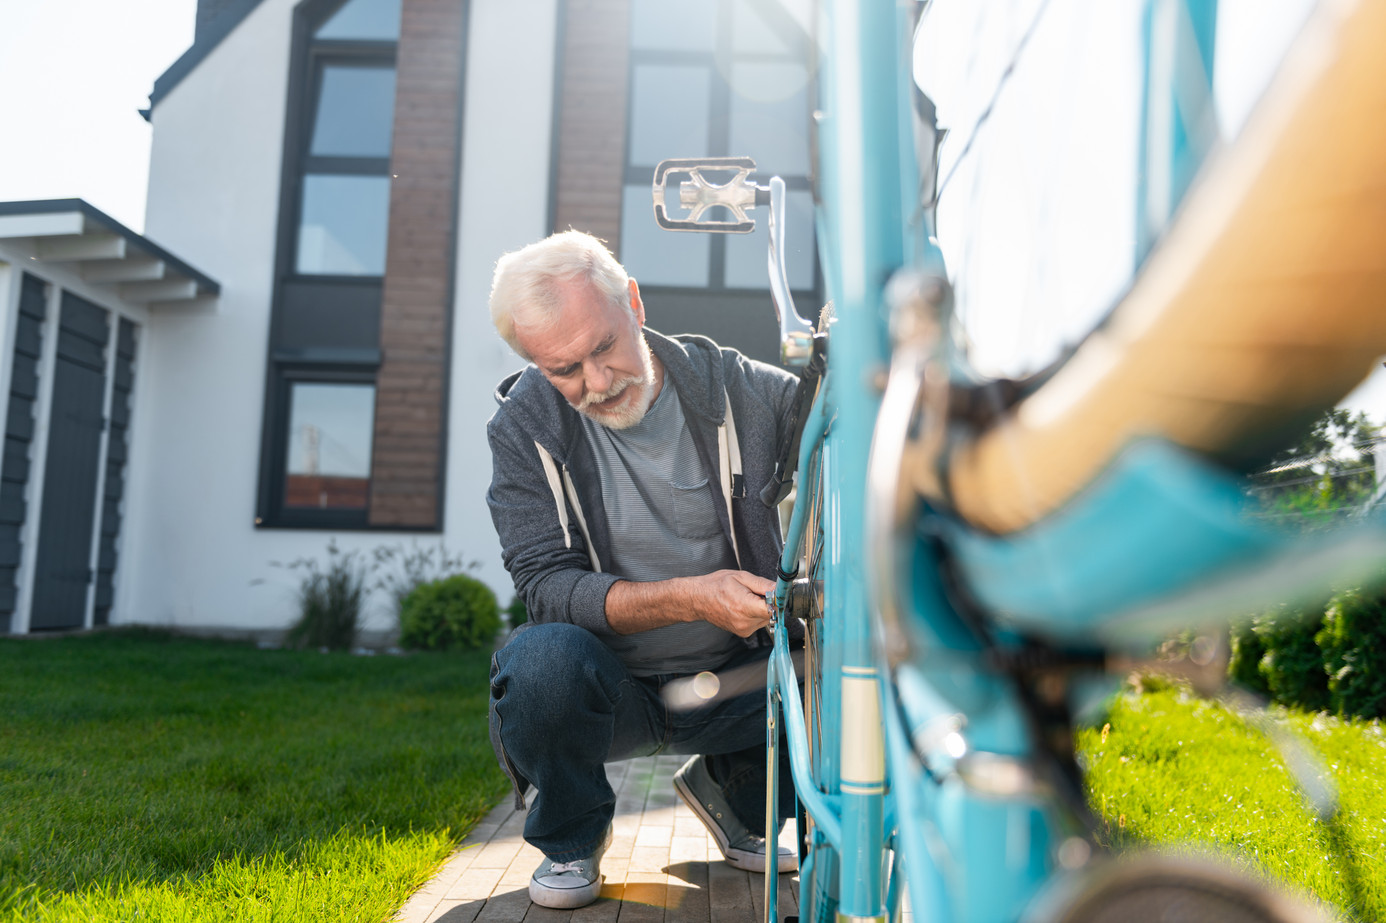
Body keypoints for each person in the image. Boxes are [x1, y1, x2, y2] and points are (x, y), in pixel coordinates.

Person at [485, 230, 800, 909]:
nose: (597, 383)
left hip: (738, 677)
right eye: (565, 370)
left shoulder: (755, 397)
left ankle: (745, 799)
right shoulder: (521, 430)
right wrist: (692, 595)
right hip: (610, 688)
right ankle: (571, 840)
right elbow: (547, 586)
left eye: (603, 348)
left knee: (836, 659)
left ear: (634, 301)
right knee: (537, 661)